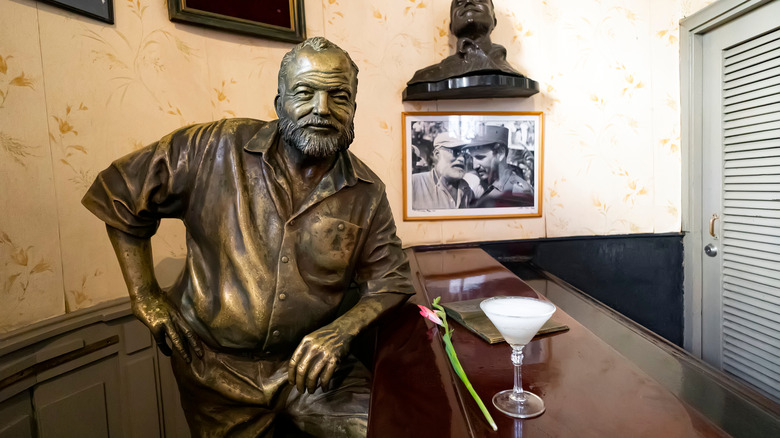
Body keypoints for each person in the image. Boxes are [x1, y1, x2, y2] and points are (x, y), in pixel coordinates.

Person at [82, 37, 413, 437]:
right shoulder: (212, 147)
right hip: (215, 375)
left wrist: (340, 332)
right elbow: (120, 193)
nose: (322, 110)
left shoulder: (367, 192)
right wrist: (144, 294)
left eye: (339, 96)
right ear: (279, 103)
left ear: (354, 109)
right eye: (305, 93)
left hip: (313, 373)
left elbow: (391, 280)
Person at [407, 0, 525, 85]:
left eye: (479, 0)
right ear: (451, 27)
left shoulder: (510, 73)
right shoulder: (428, 76)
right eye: (459, 2)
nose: (468, 2)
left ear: (494, 21)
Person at [464, 125, 534, 208]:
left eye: (480, 157)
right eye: (472, 159)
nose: (475, 166)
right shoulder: (484, 185)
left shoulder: (518, 191)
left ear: (500, 153)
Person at [411, 133, 474, 210]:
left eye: (465, 154)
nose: (462, 159)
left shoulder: (468, 191)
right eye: (456, 152)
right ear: (437, 154)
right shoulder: (414, 184)